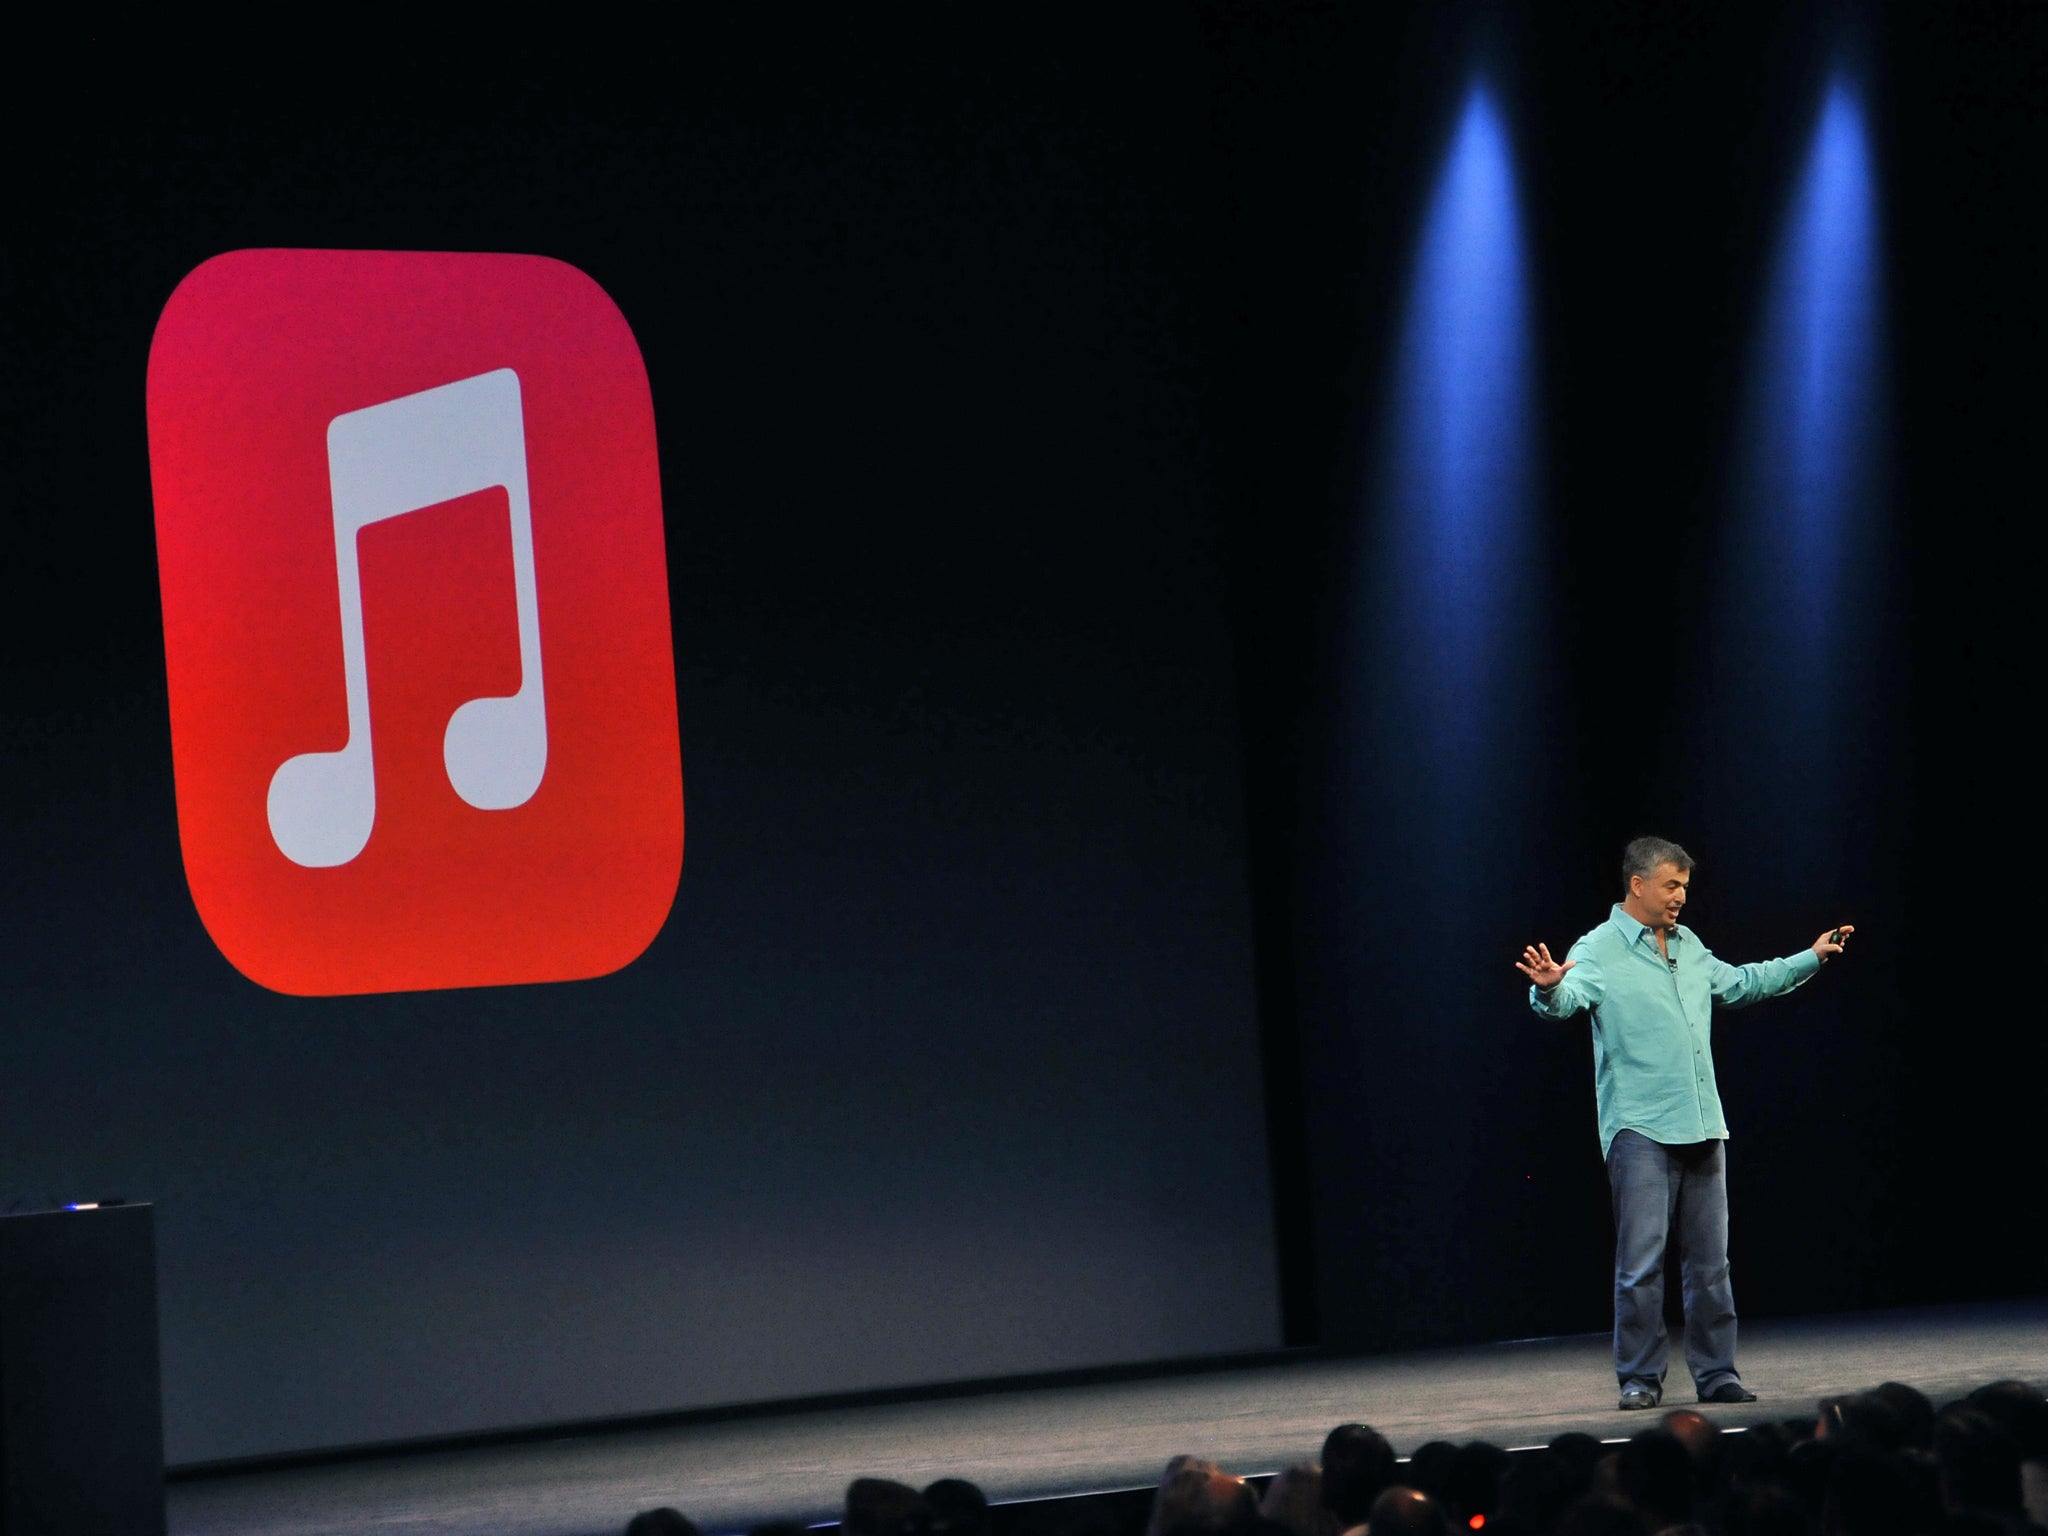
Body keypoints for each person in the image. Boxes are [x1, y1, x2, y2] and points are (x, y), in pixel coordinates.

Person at [1516, 836, 1852, 1412]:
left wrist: (1810, 957)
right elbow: (1567, 995)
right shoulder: (1597, 948)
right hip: (1640, 1128)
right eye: (1672, 886)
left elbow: (1742, 982)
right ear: (1638, 884)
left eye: (1685, 888)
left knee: (1711, 1265)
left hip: (1704, 1123)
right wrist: (1546, 989)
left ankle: (1717, 1373)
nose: (1680, 898)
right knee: (1641, 1265)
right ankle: (1640, 1378)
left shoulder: (1689, 945)